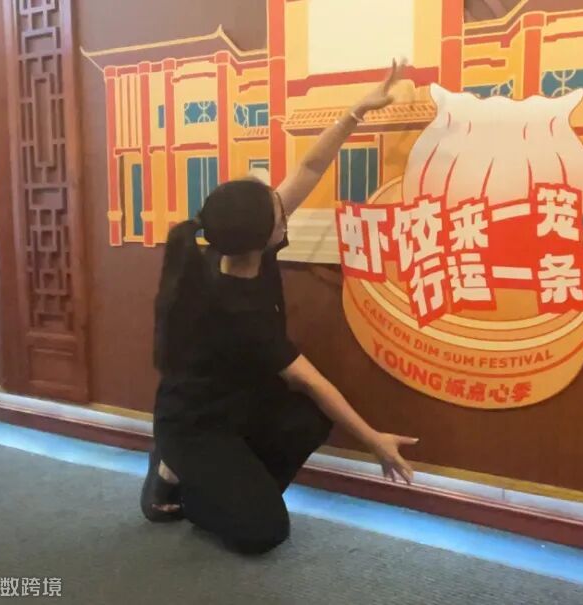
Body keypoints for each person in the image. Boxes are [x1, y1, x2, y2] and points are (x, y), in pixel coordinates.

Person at [141, 60, 418, 555]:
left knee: (307, 420)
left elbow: (309, 168)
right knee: (264, 533)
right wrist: (375, 440)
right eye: (277, 210)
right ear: (265, 235)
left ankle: (234, 489)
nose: (284, 206)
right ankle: (180, 479)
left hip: (238, 402)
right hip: (194, 424)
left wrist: (356, 111)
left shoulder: (238, 249)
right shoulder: (236, 311)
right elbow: (311, 380)